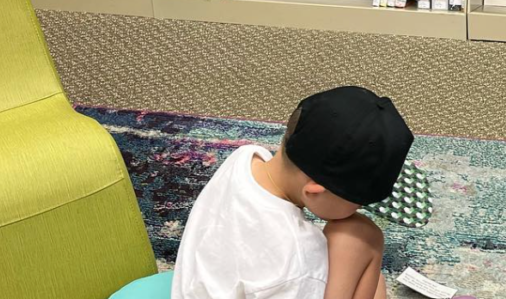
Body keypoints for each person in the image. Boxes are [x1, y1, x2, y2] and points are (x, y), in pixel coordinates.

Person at [171, 86, 415, 299]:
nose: (359, 209)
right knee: (361, 237)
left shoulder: (246, 156)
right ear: (314, 190)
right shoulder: (297, 261)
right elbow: (299, 273)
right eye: (359, 202)